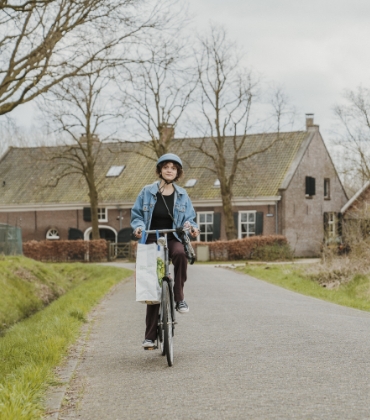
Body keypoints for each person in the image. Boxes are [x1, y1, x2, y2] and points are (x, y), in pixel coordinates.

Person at [131, 153, 199, 348]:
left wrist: (192, 227)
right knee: (154, 286)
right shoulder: (147, 191)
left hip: (174, 235)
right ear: (160, 170)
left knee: (179, 253)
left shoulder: (182, 194)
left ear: (177, 172)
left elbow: (189, 218)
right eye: (166, 166)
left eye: (173, 168)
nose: (169, 170)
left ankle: (179, 297)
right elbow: (136, 215)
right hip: (152, 235)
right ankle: (150, 337)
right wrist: (138, 227)